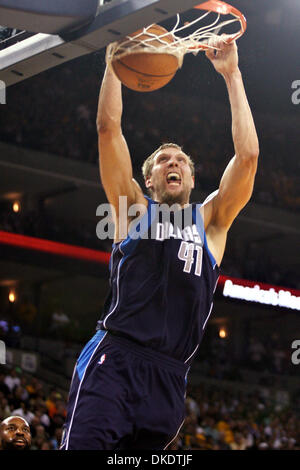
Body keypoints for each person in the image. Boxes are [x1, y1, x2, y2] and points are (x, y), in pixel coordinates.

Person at [61, 34, 259, 450]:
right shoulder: (132, 208)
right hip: (114, 360)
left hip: (170, 378)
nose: (174, 163)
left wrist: (232, 74)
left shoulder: (211, 222)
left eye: (181, 161)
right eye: (164, 160)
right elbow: (107, 128)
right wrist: (114, 63)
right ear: (148, 179)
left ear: (190, 178)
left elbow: (248, 158)